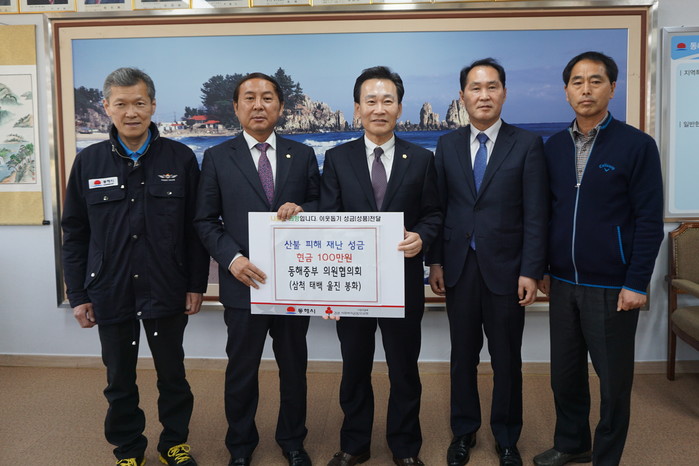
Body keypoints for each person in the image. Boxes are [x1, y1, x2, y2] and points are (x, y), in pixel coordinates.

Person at [61, 67, 209, 466]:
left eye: (140, 103)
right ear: (106, 107)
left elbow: (195, 230)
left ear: (153, 105)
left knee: (172, 375)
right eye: (121, 104)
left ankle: (174, 443)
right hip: (110, 288)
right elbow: (75, 234)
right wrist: (78, 294)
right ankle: (128, 449)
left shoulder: (180, 158)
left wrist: (195, 284)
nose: (131, 112)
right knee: (119, 379)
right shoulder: (88, 162)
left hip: (166, 285)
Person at [533, 51, 664, 466]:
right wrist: (544, 267)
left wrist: (636, 281)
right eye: (577, 82)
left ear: (612, 87)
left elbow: (649, 220)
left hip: (612, 287)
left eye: (595, 80)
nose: (585, 89)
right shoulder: (553, 147)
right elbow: (546, 213)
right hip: (562, 283)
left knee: (613, 382)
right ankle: (572, 442)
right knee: (564, 375)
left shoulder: (637, 146)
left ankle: (606, 457)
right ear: (566, 91)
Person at [427, 58, 548, 466]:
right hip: (459, 268)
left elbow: (536, 214)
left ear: (504, 93)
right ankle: (463, 432)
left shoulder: (527, 144)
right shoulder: (447, 144)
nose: (484, 95)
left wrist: (531, 270)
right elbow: (439, 208)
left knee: (506, 359)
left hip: (508, 271)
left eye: (492, 87)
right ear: (462, 96)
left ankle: (507, 437)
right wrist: (436, 262)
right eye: (475, 88)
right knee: (462, 356)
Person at [194, 72, 320, 466]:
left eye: (267, 97)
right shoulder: (217, 157)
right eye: (249, 98)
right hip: (242, 282)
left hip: (292, 285)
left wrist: (304, 210)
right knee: (242, 371)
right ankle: (240, 447)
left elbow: (323, 206)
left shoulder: (302, 154)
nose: (258, 105)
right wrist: (232, 259)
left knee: (294, 369)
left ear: (281, 107)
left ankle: (293, 441)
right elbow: (204, 220)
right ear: (236, 108)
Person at [320, 66, 442, 466]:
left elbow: (434, 213)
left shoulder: (422, 159)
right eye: (370, 101)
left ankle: (405, 448)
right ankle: (354, 444)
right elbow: (328, 220)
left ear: (399, 108)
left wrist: (422, 236)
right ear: (357, 109)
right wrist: (329, 289)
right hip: (351, 285)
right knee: (354, 367)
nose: (379, 108)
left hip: (402, 282)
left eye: (387, 100)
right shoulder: (336, 159)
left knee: (403, 368)